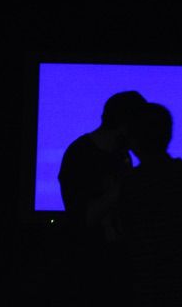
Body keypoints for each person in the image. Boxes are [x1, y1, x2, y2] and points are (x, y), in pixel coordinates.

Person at [52, 90, 146, 305]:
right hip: (90, 265)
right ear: (125, 125)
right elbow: (81, 218)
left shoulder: (119, 154)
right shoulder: (81, 154)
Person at [116, 102, 182, 307]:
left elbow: (126, 229)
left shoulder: (130, 182)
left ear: (133, 140)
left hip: (144, 282)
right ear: (168, 134)